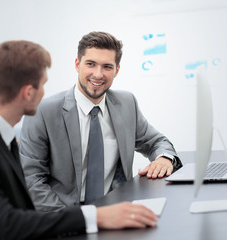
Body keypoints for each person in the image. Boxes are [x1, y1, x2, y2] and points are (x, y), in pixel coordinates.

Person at [0, 40, 158, 240]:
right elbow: (6, 225)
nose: (44, 94)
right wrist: (94, 217)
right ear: (28, 92)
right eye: (43, 84)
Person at [19, 31, 183, 212]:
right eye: (91, 64)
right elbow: (31, 181)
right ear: (77, 64)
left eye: (107, 67)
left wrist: (164, 158)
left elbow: (156, 142)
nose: (98, 74)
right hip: (66, 216)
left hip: (117, 209)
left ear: (117, 70)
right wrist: (78, 220)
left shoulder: (127, 103)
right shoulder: (43, 111)